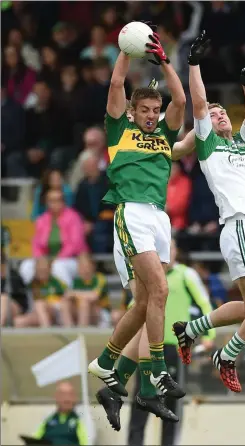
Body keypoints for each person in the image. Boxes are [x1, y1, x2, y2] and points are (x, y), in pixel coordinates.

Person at [172, 31, 245, 393]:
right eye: (216, 114)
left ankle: (189, 330)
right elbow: (201, 103)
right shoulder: (208, 145)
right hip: (239, 226)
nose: (220, 115)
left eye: (224, 113)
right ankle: (228, 354)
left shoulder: (242, 142)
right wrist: (194, 64)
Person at [88, 29, 187, 401]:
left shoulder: (165, 133)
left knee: (146, 301)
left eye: (154, 110)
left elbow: (180, 97)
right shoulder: (119, 130)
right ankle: (158, 371)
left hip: (159, 218)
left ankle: (105, 360)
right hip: (131, 212)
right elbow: (116, 82)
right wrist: (125, 51)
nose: (150, 115)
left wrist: (164, 60)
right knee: (160, 288)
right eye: (144, 110)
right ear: (132, 111)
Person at [95, 237, 215, 434]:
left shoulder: (186, 274)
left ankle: (113, 388)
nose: (167, 251)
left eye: (170, 247)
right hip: (147, 344)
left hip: (172, 345)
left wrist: (209, 335)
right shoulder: (149, 273)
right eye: (162, 248)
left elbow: (204, 303)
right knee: (141, 399)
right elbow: (136, 308)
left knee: (170, 403)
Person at [19, 189, 88, 287]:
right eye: (51, 201)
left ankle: (66, 297)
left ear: (63, 202)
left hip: (71, 259)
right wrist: (41, 259)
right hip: (47, 259)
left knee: (58, 267)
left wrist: (55, 260)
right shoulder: (42, 219)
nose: (55, 203)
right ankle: (32, 296)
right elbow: (36, 243)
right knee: (26, 266)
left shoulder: (73, 217)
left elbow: (75, 244)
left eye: (58, 200)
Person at [62, 254, 110, 327]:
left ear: (93, 267)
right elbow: (67, 295)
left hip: (101, 313)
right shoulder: (76, 281)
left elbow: (94, 296)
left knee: (84, 302)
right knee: (65, 303)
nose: (83, 270)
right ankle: (69, 329)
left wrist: (75, 294)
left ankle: (82, 330)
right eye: (80, 267)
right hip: (82, 311)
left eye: (86, 267)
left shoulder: (99, 278)